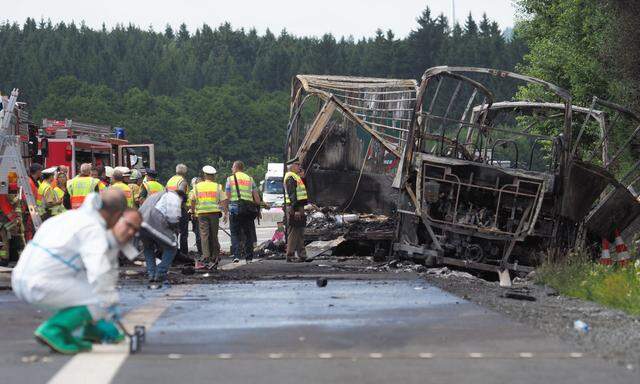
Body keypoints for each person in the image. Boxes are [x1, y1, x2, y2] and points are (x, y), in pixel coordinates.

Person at [11, 189, 140, 354]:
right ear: (116, 215)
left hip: (21, 279)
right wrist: (109, 305)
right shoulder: (94, 229)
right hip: (41, 284)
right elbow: (99, 272)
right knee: (99, 295)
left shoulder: (69, 217)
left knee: (86, 285)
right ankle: (53, 330)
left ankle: (86, 330)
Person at [138, 189, 184, 288]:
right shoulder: (174, 197)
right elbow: (172, 218)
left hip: (140, 222)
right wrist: (174, 230)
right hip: (153, 222)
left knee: (148, 247)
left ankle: (151, 274)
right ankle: (160, 273)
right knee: (172, 247)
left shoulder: (156, 195)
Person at [224, 160, 261, 263]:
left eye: (232, 167)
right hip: (248, 210)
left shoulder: (230, 179)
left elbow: (227, 197)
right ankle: (249, 257)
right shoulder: (250, 179)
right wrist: (258, 209)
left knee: (235, 233)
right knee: (248, 234)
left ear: (235, 168)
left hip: (235, 209)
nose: (231, 169)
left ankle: (236, 255)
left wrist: (226, 212)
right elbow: (256, 198)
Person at [191, 166, 223, 270]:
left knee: (204, 235)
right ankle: (215, 256)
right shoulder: (217, 186)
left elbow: (192, 200)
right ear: (213, 176)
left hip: (202, 214)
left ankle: (206, 256)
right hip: (214, 213)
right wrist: (225, 212)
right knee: (214, 235)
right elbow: (224, 199)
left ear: (204, 175)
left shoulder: (197, 186)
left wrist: (193, 211)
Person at [284, 161, 308, 262]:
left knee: (299, 232)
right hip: (295, 208)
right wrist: (297, 209)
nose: (299, 166)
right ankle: (290, 255)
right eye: (297, 165)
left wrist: (303, 178)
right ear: (292, 166)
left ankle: (302, 255)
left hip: (299, 207)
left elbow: (302, 191)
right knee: (294, 232)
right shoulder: (290, 177)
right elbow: (292, 194)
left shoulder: (296, 177)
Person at [166, 164, 190, 257]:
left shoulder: (170, 180)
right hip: (179, 209)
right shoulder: (182, 181)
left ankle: (172, 252)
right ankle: (184, 253)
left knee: (173, 232)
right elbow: (180, 195)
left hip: (169, 209)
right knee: (183, 233)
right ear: (185, 172)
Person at [188, 177, 203, 255]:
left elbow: (191, 203)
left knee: (198, 233)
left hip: (197, 215)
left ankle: (201, 251)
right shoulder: (204, 190)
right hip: (206, 213)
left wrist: (192, 213)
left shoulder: (193, 191)